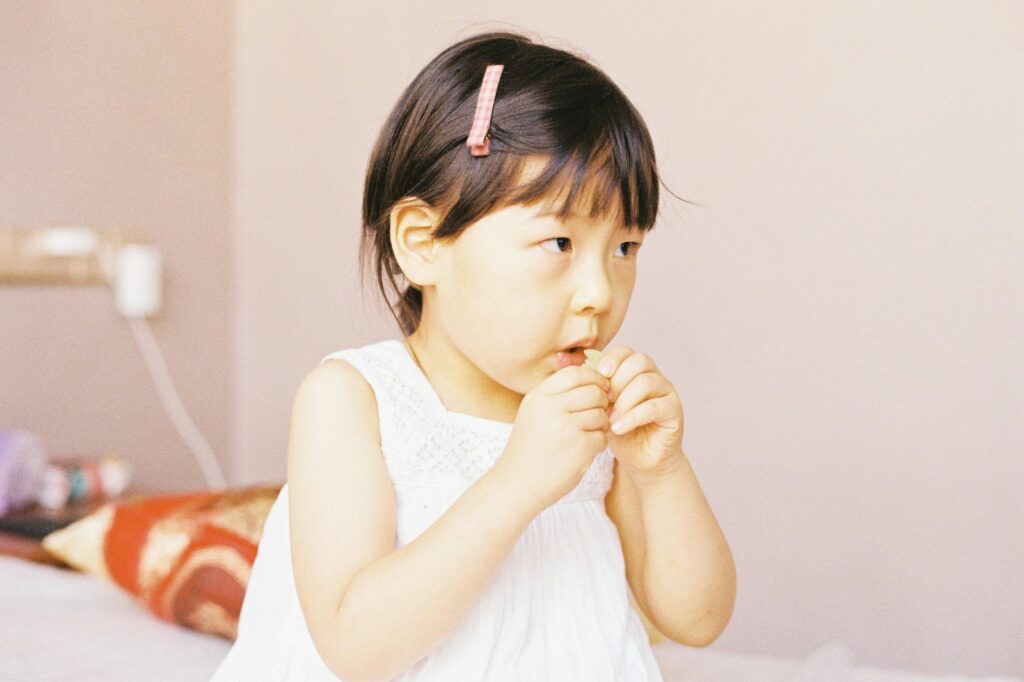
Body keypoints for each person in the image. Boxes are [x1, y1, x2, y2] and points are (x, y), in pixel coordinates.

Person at [212, 29, 736, 681]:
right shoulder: (354, 399)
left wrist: (662, 471)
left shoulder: (595, 417)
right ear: (424, 243)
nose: (600, 292)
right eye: (559, 244)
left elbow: (700, 617)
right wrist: (517, 483)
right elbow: (354, 644)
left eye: (625, 248)